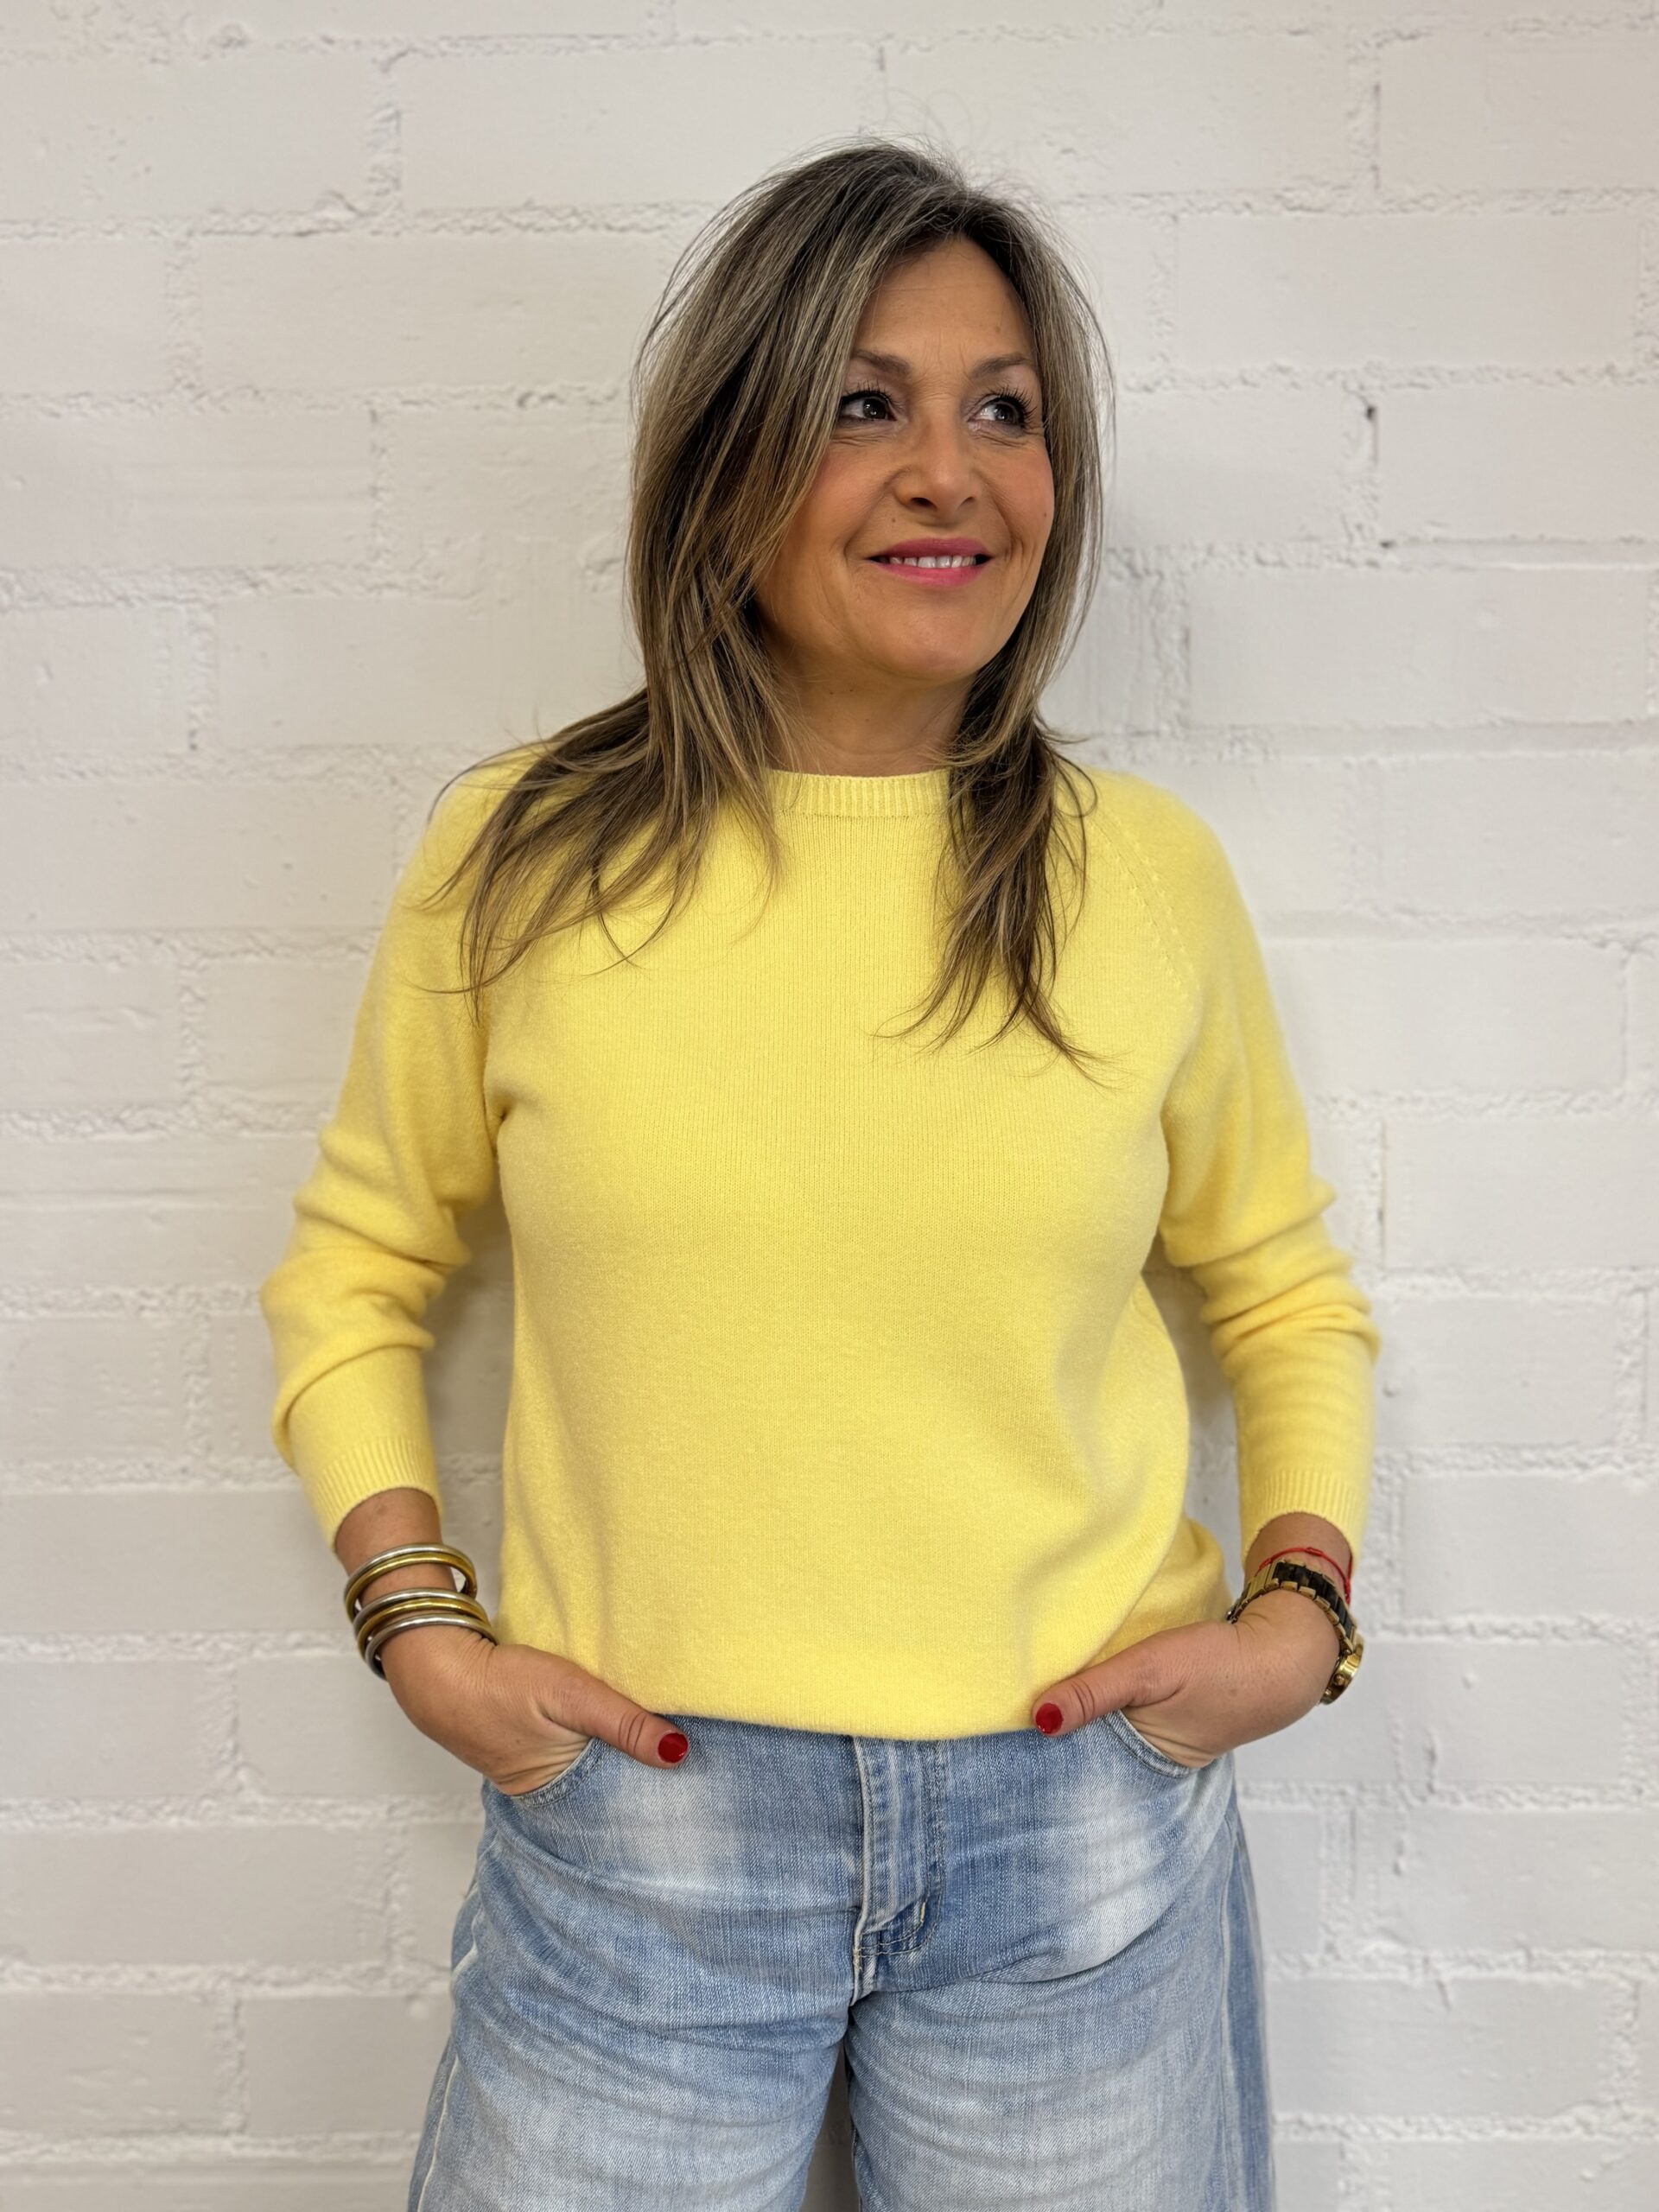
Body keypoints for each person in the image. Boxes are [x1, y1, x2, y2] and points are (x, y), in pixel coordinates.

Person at [258, 136, 1379, 2212]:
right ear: (732, 457)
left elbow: (1284, 1289)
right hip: (642, 1831)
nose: (952, 473)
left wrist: (1302, 1611)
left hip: (1078, 1828)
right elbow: (355, 1265)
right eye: (869, 403)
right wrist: (416, 1618)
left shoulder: (1142, 879)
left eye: (1005, 411)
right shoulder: (523, 859)